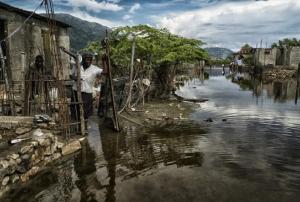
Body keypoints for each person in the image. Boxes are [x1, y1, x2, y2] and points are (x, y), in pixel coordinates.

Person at [70, 52, 103, 128]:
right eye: (87, 59)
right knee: (75, 110)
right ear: (83, 60)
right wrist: (76, 78)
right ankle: (77, 127)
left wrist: (105, 60)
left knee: (86, 112)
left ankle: (85, 127)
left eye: (90, 60)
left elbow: (105, 72)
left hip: (87, 94)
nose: (88, 61)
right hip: (76, 92)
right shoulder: (77, 66)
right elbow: (72, 75)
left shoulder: (95, 69)